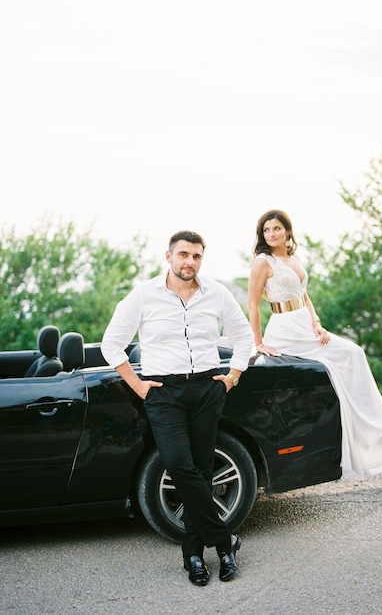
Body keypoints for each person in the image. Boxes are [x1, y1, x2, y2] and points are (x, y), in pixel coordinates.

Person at [101, 230, 254, 586]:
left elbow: (243, 336)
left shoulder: (216, 293)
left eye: (196, 256)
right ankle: (225, 540)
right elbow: (112, 344)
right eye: (183, 254)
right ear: (168, 256)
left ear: (202, 258)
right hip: (163, 392)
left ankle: (195, 557)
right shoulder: (144, 295)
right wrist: (138, 385)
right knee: (178, 465)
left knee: (201, 471)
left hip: (206, 388)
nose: (190, 262)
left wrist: (232, 376)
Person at [248, 209, 382, 477]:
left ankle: (378, 427)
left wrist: (317, 323)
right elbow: (253, 305)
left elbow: (304, 295)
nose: (272, 234)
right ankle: (359, 434)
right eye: (266, 230)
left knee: (354, 354)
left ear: (287, 231)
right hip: (285, 329)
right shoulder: (263, 262)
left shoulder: (293, 257)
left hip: (305, 324)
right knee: (339, 363)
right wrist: (258, 343)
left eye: (277, 228)